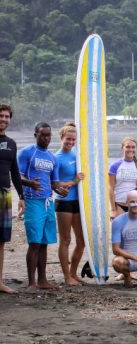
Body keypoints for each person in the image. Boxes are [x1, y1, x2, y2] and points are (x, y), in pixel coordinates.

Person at [18, 122, 67, 292]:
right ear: (35, 135)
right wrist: (30, 183)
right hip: (32, 201)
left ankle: (43, 280)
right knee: (35, 242)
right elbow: (17, 175)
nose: (46, 138)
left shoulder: (53, 158)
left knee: (45, 242)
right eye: (43, 135)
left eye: (48, 135)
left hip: (48, 202)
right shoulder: (27, 152)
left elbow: (54, 182)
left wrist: (61, 190)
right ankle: (31, 283)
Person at [54, 123, 86, 286]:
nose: (70, 142)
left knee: (81, 241)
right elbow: (57, 184)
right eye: (68, 139)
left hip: (78, 202)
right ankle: (67, 277)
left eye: (73, 139)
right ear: (61, 138)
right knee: (65, 240)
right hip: (64, 203)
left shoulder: (77, 155)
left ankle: (73, 273)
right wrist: (74, 181)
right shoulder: (57, 158)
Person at [0, 104, 24, 294]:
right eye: (1, 116)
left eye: (7, 116)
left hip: (5, 194)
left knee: (1, 240)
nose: (4, 119)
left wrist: (21, 196)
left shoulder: (11, 143)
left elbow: (15, 172)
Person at [109, 137, 137, 219]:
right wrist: (113, 209)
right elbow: (111, 188)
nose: (130, 149)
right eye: (128, 147)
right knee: (120, 231)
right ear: (122, 148)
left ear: (136, 149)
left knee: (133, 231)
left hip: (135, 206)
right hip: (119, 205)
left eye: (133, 147)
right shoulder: (115, 165)